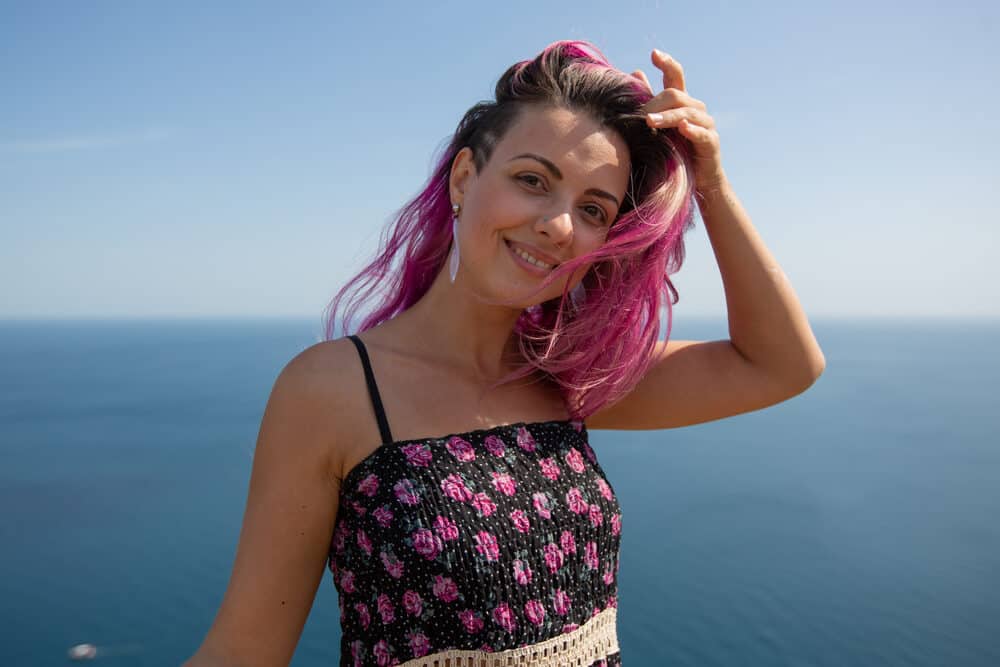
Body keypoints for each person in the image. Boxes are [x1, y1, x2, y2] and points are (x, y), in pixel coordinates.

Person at [182, 40, 825, 667]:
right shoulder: (332, 390)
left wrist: (710, 182)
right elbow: (245, 652)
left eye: (594, 209)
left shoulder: (566, 376)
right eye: (531, 180)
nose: (559, 225)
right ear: (465, 177)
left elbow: (781, 366)